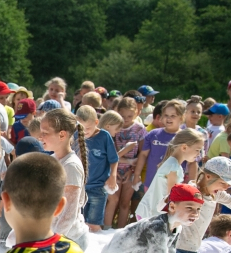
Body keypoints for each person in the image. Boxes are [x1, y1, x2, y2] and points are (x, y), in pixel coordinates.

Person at [39, 109, 89, 249]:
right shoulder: (53, 159)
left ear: (62, 135)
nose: (40, 137)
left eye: (45, 133)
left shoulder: (71, 166)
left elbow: (68, 214)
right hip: (53, 236)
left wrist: (50, 244)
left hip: (68, 240)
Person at [136, 129, 204, 221]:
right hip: (150, 215)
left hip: (149, 212)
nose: (199, 154)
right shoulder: (173, 167)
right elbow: (172, 197)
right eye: (197, 150)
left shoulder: (173, 164)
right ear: (184, 147)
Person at [105, 97, 147, 229]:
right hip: (114, 169)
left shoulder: (139, 129)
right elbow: (111, 153)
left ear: (136, 113)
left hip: (131, 171)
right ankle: (106, 228)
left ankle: (120, 230)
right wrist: (115, 169)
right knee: (113, 201)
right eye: (123, 116)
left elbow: (141, 153)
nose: (126, 119)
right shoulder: (114, 128)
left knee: (125, 203)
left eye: (130, 115)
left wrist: (133, 171)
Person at [75, 105, 118, 232]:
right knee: (78, 224)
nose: (85, 131)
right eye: (81, 127)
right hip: (80, 188)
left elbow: (114, 159)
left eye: (88, 128)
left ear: (96, 122)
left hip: (98, 188)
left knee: (93, 225)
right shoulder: (75, 136)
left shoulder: (104, 136)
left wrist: (113, 177)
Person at [134, 100, 183, 192]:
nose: (169, 118)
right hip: (151, 183)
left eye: (173, 116)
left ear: (181, 118)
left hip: (174, 186)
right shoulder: (153, 134)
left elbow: (191, 163)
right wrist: (137, 175)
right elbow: (143, 155)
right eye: (166, 115)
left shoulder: (184, 137)